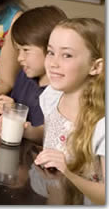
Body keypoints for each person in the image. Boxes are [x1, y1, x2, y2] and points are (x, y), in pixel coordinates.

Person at [22, 18, 105, 204]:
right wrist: (28, 131)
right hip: (53, 195)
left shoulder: (102, 124)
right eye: (51, 52)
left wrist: (68, 172)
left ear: (95, 66)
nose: (53, 63)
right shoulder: (52, 96)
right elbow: (54, 132)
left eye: (66, 55)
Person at [0, 6, 67, 126]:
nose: (19, 58)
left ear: (51, 49)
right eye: (18, 50)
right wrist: (3, 103)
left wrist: (14, 113)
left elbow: (47, 133)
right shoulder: (24, 76)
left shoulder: (61, 92)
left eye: (26, 50)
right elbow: (14, 108)